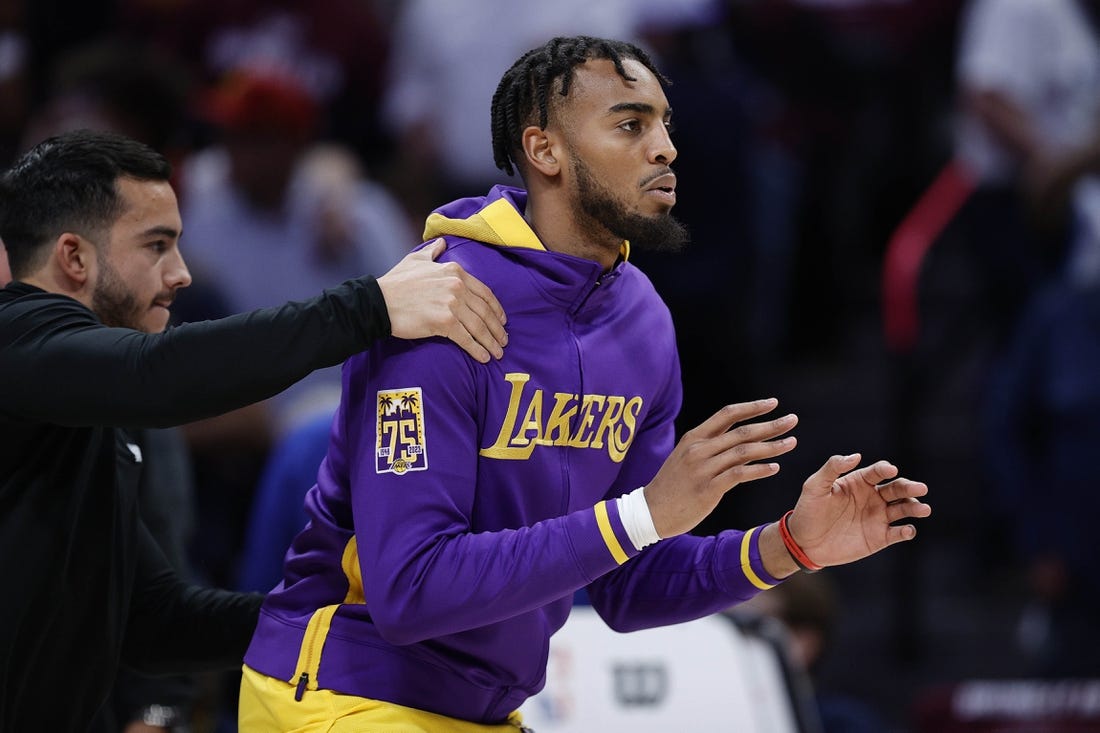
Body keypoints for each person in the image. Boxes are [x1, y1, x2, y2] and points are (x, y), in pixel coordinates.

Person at [239, 36, 932, 731]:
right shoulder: (442, 298)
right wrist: (646, 512)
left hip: (484, 708)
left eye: (665, 124)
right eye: (631, 125)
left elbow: (624, 583)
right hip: (340, 689)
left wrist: (788, 544)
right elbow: (410, 588)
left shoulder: (643, 321)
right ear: (545, 152)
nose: (664, 148)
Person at [0, 128, 509, 733]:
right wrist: (369, 307)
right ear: (74, 258)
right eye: (156, 245)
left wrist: (345, 621)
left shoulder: (81, 408)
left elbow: (155, 620)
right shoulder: (14, 338)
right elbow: (159, 375)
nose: (182, 274)